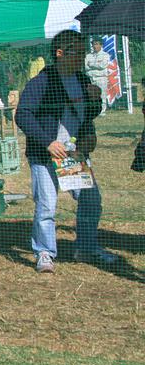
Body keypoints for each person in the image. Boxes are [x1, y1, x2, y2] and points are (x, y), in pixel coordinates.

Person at [15, 29, 117, 273]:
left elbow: (87, 115)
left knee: (91, 200)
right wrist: (48, 142)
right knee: (47, 206)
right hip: (45, 155)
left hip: (72, 155)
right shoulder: (41, 82)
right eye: (77, 53)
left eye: (83, 52)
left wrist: (95, 100)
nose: (82, 57)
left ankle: (87, 247)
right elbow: (23, 115)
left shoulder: (82, 80)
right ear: (60, 53)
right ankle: (45, 253)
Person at [84, 38, 112, 117]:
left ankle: (102, 112)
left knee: (102, 95)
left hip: (101, 78)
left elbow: (103, 65)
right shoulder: (88, 56)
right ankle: (92, 111)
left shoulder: (105, 55)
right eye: (93, 44)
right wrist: (96, 65)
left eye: (96, 44)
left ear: (101, 45)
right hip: (90, 78)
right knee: (90, 96)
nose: (94, 46)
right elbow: (86, 67)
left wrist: (91, 64)